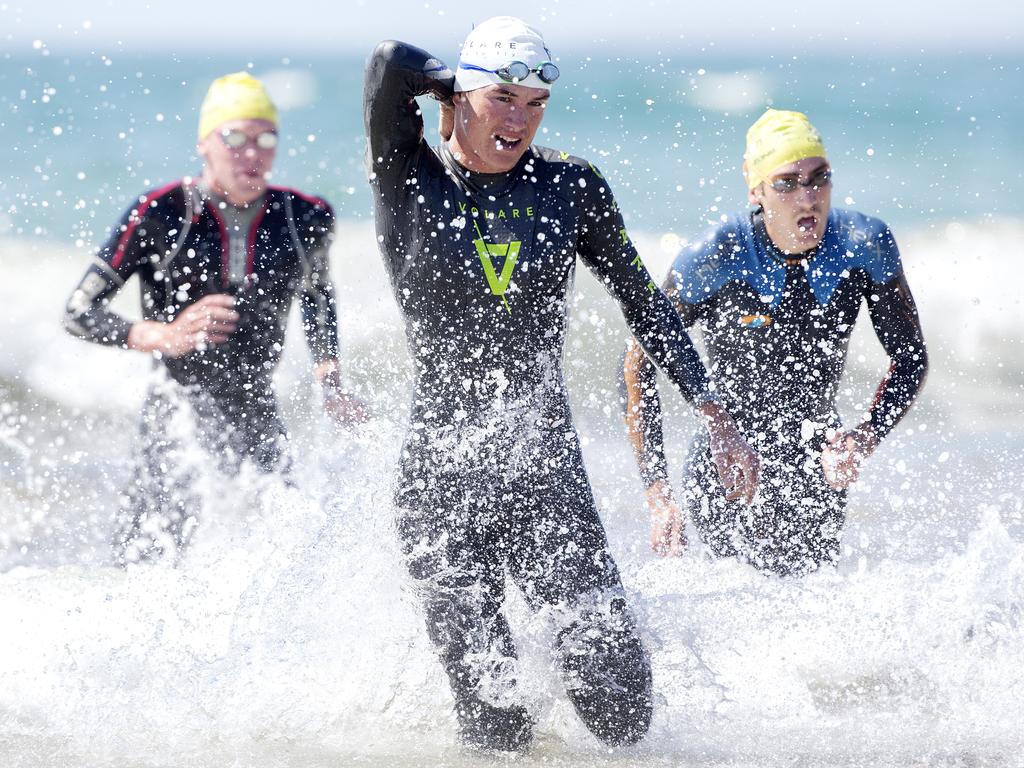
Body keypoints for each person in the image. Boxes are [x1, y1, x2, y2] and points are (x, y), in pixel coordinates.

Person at [364, 16, 758, 752]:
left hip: (543, 471)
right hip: (440, 481)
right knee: (495, 727)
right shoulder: (406, 173)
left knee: (622, 711)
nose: (519, 118)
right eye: (504, 98)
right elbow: (389, 64)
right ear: (461, 92)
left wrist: (713, 410)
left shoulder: (570, 187)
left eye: (536, 101)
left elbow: (645, 301)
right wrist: (461, 89)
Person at [63, 72, 366, 565]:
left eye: (266, 138)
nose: (253, 153)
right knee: (147, 563)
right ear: (205, 143)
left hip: (257, 409)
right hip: (175, 413)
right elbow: (78, 312)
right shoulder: (160, 212)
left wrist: (329, 376)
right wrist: (162, 333)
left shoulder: (304, 216)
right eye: (235, 138)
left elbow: (317, 295)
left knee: (288, 556)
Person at [623, 108, 928, 575]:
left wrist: (863, 438)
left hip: (818, 459)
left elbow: (910, 358)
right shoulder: (717, 254)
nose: (808, 198)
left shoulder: (864, 243)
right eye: (787, 183)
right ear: (757, 191)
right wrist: (659, 497)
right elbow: (637, 362)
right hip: (729, 465)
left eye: (819, 178)